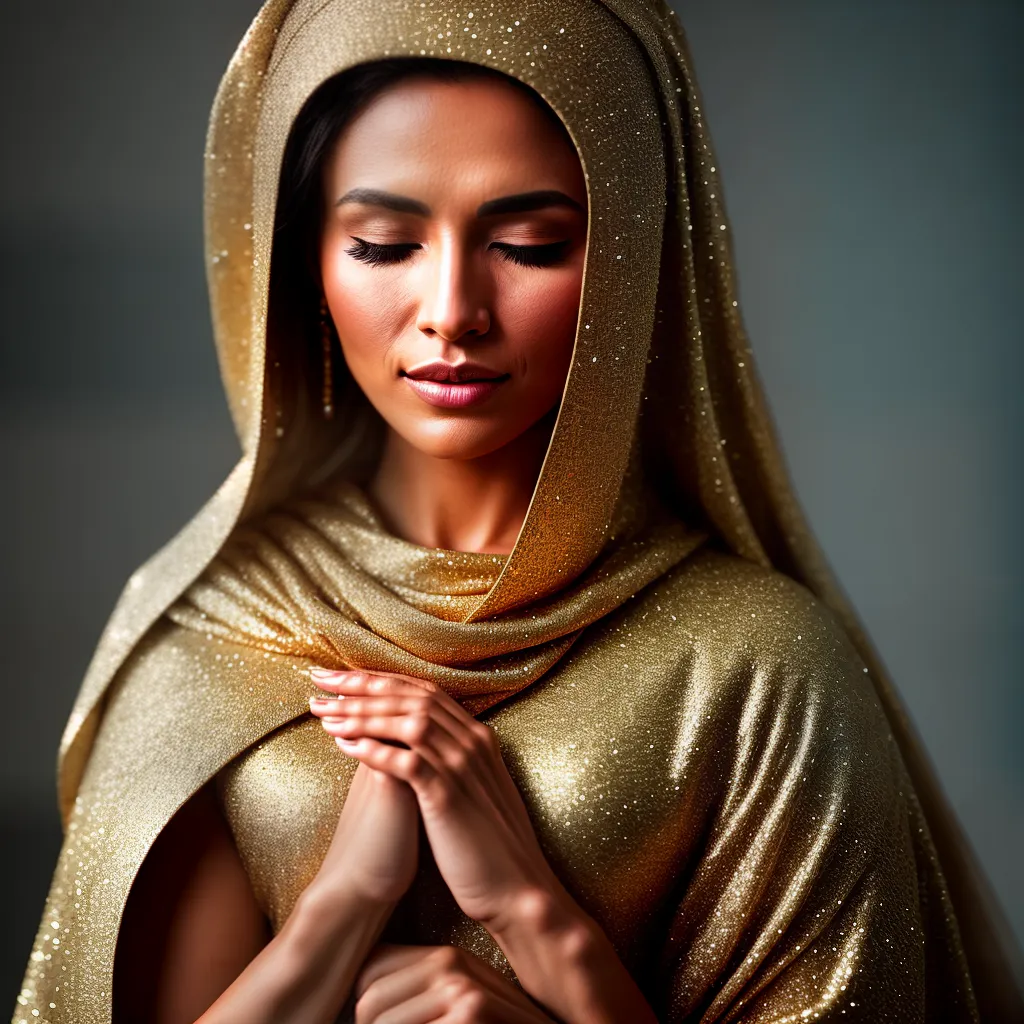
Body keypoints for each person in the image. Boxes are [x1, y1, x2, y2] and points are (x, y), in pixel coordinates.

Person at [14, 1, 1023, 1022]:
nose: (452, 311)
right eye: (383, 244)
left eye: (530, 245)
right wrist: (341, 908)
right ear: (303, 262)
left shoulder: (759, 668)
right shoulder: (215, 641)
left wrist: (540, 923)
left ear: (629, 262)